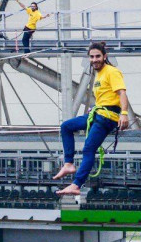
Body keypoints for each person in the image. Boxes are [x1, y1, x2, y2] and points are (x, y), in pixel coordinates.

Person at [53, 42, 130, 197]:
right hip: (97, 113)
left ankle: (76, 184)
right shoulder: (98, 74)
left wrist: (124, 113)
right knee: (66, 127)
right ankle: (68, 163)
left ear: (105, 56)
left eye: (98, 56)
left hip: (107, 117)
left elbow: (121, 93)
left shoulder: (112, 71)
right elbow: (105, 96)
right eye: (92, 57)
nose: (95, 60)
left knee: (89, 149)